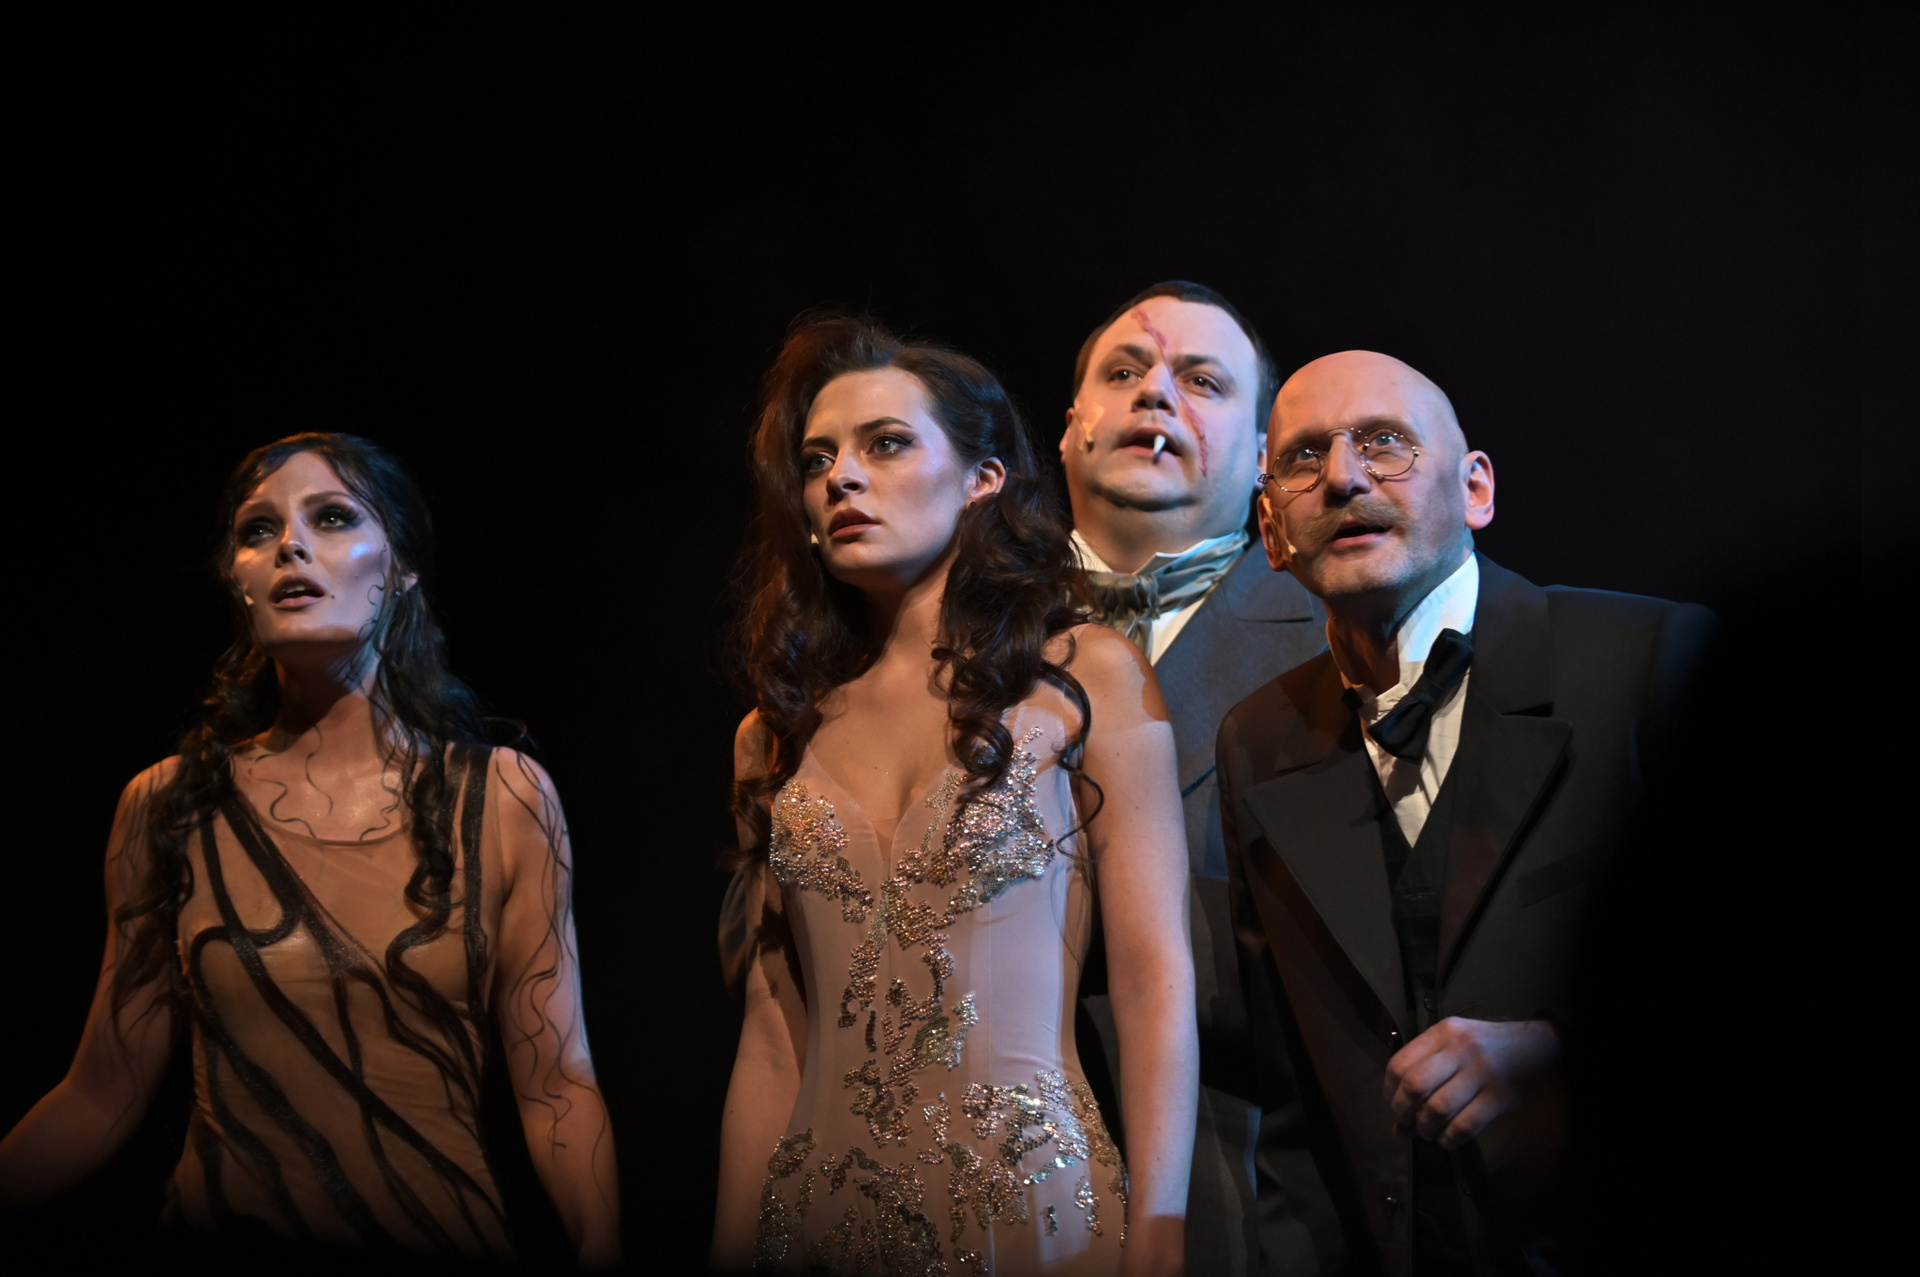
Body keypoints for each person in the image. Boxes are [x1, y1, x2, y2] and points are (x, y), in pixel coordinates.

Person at [0, 434, 620, 1266]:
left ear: (401, 567)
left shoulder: (503, 797)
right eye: (257, 529)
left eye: (332, 517)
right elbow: (99, 1091)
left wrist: (603, 1245)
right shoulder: (169, 806)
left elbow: (555, 1084)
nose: (289, 544)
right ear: (238, 581)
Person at [711, 315, 1198, 1276]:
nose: (841, 479)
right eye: (818, 461)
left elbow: (1153, 976)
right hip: (818, 1230)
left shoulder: (1085, 678)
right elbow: (771, 1037)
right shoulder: (774, 733)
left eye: (885, 444)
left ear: (983, 478)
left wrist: (1162, 1227)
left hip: (1033, 1221)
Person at [1218, 352, 1715, 1274]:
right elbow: (1292, 1103)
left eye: (1384, 441)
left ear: (1476, 488)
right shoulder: (1257, 739)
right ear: (1272, 533)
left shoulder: (1644, 659)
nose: (1343, 476)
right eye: (1302, 457)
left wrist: (1557, 1051)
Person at [1060, 282, 1333, 1276]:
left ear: (1263, 453)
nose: (1156, 394)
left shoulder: (1339, 643)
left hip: (1251, 1194)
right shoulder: (950, 644)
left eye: (1202, 380)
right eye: (1124, 371)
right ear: (1070, 430)